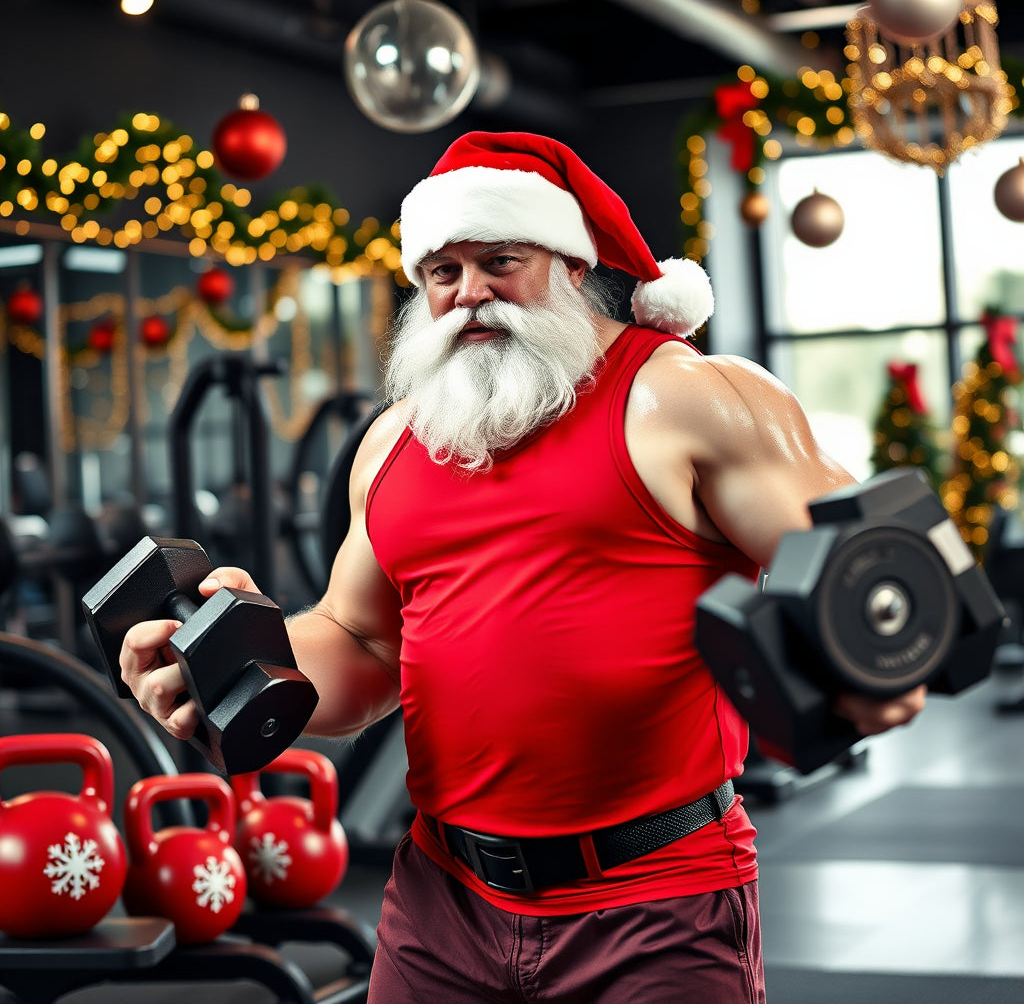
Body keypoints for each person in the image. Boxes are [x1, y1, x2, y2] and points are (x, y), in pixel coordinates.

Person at [121, 131, 927, 1003]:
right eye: (442, 272)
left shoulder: (681, 396)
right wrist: (231, 662)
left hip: (655, 906)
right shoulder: (394, 443)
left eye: (500, 259)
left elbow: (859, 561)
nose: (470, 293)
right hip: (442, 904)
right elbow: (361, 644)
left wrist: (879, 656)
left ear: (574, 265)